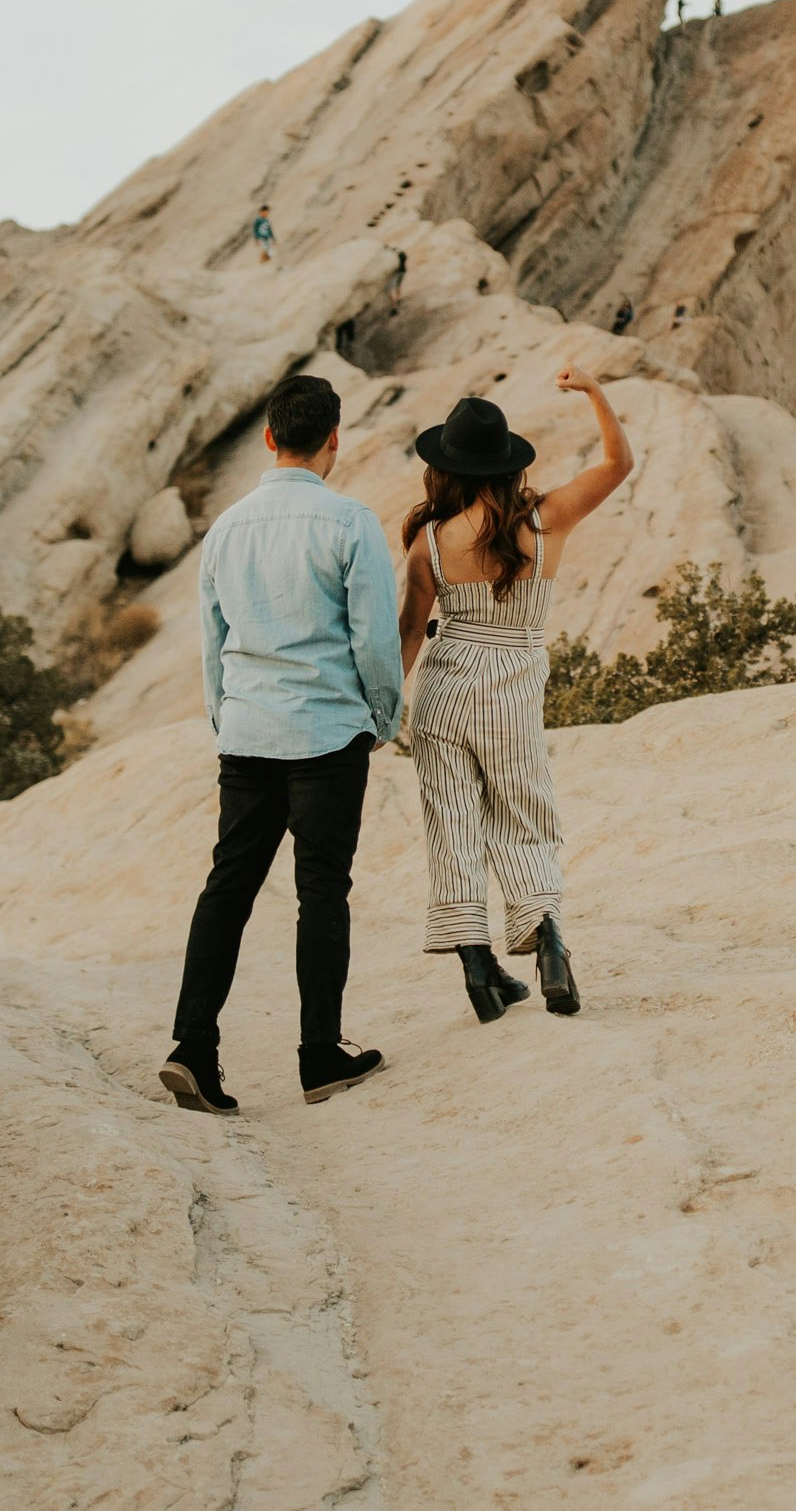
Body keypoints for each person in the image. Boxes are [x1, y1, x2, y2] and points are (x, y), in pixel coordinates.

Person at [160, 374, 403, 1115]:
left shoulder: (226, 528)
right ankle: (319, 1056)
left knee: (227, 887)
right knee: (321, 890)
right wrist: (382, 718)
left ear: (268, 437)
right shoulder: (350, 522)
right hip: (328, 734)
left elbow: (213, 643)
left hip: (250, 731)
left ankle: (192, 1049)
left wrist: (225, 720)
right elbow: (372, 640)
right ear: (335, 438)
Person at [397, 369, 633, 1023]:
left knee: (452, 822)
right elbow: (619, 462)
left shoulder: (429, 543)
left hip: (443, 687)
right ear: (505, 464)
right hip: (511, 688)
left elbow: (410, 630)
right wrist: (591, 391)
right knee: (523, 817)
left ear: (445, 467)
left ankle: (479, 970)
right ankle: (548, 944)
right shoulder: (545, 517)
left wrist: (383, 703)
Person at [388, 249, 408, 314]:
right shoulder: (402, 257)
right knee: (398, 286)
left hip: (396, 273)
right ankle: (398, 299)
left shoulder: (394, 260)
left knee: (390, 291)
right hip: (402, 271)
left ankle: (394, 307)